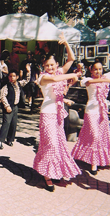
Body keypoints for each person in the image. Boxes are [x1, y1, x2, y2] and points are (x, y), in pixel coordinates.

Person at [33, 34, 81, 192]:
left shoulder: (59, 72)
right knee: (50, 144)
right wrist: (72, 75)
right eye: (47, 66)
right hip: (47, 114)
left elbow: (71, 60)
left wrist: (66, 43)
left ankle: (54, 171)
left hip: (58, 114)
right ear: (44, 66)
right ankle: (46, 174)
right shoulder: (43, 78)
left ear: (56, 65)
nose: (50, 68)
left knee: (59, 144)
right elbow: (54, 81)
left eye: (52, 65)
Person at [71, 55, 110, 175]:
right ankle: (93, 162)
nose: (98, 71)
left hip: (102, 112)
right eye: (95, 69)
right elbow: (91, 82)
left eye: (100, 69)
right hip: (91, 112)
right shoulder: (86, 80)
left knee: (102, 136)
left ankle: (97, 160)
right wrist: (107, 80)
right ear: (90, 69)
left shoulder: (105, 76)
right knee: (95, 136)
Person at [0, 69, 30, 149]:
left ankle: (10, 139)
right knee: (6, 122)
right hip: (8, 106)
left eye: (14, 76)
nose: (12, 78)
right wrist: (7, 106)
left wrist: (28, 71)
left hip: (15, 106)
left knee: (13, 123)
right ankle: (0, 140)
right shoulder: (6, 86)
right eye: (10, 76)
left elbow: (27, 80)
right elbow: (3, 96)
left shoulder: (18, 84)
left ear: (17, 77)